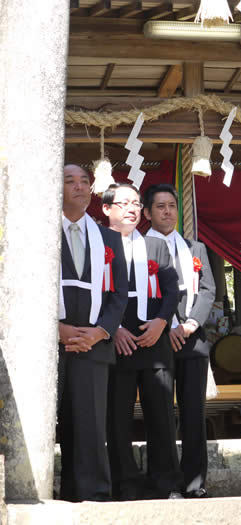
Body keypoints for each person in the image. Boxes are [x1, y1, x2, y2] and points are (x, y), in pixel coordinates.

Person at [102, 182, 182, 500]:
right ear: (108, 208)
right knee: (118, 417)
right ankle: (125, 485)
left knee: (161, 414)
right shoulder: (100, 242)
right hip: (114, 338)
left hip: (154, 337)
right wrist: (113, 328)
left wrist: (162, 322)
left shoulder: (155, 245)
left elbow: (172, 290)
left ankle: (166, 483)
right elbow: (98, 292)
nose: (132, 209)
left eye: (136, 203)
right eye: (125, 203)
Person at [58, 165, 128, 502]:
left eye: (85, 181)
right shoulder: (39, 230)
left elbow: (119, 294)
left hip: (93, 344)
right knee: (53, 423)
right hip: (48, 343)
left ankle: (93, 496)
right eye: (70, 181)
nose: (80, 187)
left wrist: (100, 332)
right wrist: (54, 329)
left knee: (90, 424)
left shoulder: (109, 238)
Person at [143, 183, 216, 499]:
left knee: (193, 414)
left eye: (171, 205)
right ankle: (166, 482)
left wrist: (188, 324)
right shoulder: (140, 246)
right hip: (158, 339)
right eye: (160, 206)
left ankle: (194, 481)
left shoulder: (194, 248)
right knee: (160, 412)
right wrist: (168, 325)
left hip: (192, 339)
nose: (167, 211)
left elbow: (209, 290)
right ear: (147, 212)